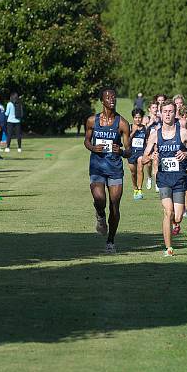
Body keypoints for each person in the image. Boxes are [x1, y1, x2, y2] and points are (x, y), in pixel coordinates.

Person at [141, 100, 187, 256]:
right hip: (164, 178)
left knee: (178, 216)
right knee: (168, 212)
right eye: (165, 111)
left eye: (171, 111)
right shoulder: (155, 135)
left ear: (175, 113)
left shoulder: (183, 133)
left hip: (180, 178)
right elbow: (143, 159)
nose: (168, 114)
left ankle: (176, 223)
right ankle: (169, 248)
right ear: (161, 113)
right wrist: (151, 156)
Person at [84, 88, 130, 253]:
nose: (112, 99)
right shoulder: (92, 121)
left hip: (115, 169)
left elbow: (129, 150)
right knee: (99, 199)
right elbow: (86, 141)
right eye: (108, 97)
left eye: (114, 97)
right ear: (102, 100)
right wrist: (93, 148)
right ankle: (100, 215)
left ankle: (110, 241)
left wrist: (122, 152)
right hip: (97, 167)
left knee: (115, 206)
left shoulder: (122, 123)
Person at [128, 108, 147, 200]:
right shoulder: (130, 127)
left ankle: (140, 189)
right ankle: (135, 188)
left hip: (141, 152)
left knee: (140, 169)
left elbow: (147, 141)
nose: (138, 119)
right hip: (131, 153)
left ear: (142, 118)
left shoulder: (145, 128)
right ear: (133, 118)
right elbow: (126, 142)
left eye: (139, 117)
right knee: (133, 172)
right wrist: (133, 132)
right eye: (136, 117)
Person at [143, 101, 161, 191]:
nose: (155, 109)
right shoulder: (146, 118)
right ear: (149, 109)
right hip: (148, 143)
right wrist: (149, 124)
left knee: (156, 162)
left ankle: (157, 182)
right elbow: (141, 131)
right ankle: (149, 177)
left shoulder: (160, 119)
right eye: (153, 107)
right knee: (149, 163)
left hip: (157, 144)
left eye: (156, 107)